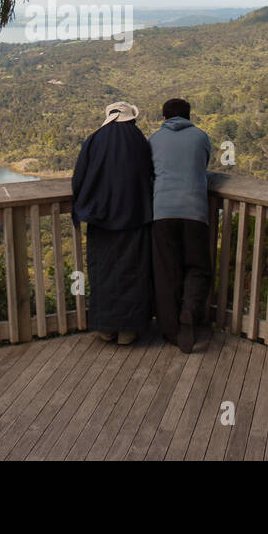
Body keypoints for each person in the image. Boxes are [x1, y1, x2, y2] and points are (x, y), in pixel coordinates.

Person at [70, 101, 154, 345]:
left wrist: (84, 208)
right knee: (133, 271)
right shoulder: (138, 139)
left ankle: (105, 328)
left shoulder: (94, 140)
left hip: (101, 219)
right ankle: (128, 330)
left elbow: (80, 178)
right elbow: (149, 174)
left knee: (103, 271)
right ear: (130, 118)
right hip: (135, 217)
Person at [148, 97, 212, 353]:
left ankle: (171, 331)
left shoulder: (154, 140)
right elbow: (202, 166)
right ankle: (190, 312)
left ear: (164, 118)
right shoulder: (201, 137)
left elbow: (151, 172)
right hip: (195, 211)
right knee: (197, 267)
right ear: (188, 116)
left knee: (167, 272)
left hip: (162, 212)